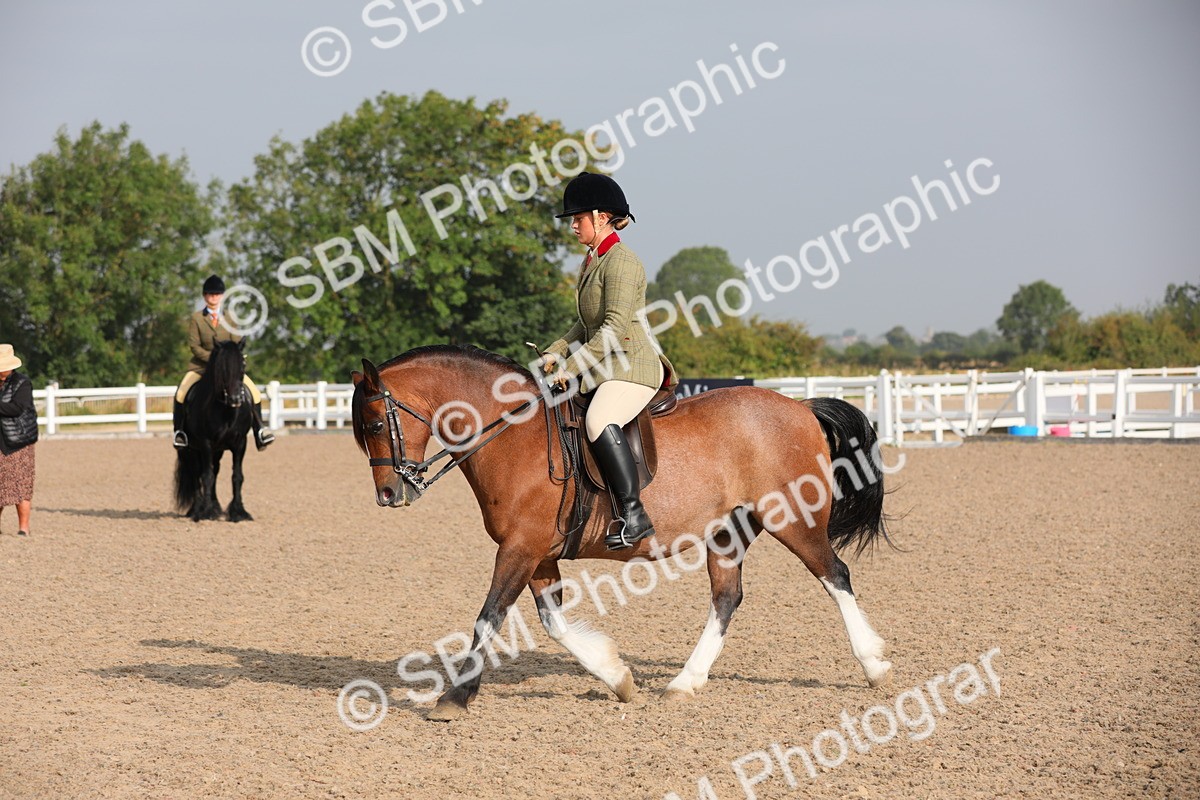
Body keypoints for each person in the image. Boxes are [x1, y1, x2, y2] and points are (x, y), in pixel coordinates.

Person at [541, 172, 675, 550]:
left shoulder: (622, 262)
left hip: (632, 366)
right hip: (606, 364)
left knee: (599, 418)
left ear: (601, 217)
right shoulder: (592, 261)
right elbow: (585, 323)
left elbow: (615, 327)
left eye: (578, 218)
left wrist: (572, 368)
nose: (572, 226)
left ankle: (634, 515)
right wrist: (557, 350)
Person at [172, 274, 274, 450]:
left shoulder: (230, 318)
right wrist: (213, 361)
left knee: (254, 393)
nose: (213, 297)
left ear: (222, 296)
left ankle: (259, 431)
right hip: (201, 367)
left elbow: (236, 341)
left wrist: (234, 357)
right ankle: (180, 433)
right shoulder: (197, 318)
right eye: (210, 294)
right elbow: (194, 346)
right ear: (205, 296)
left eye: (217, 294)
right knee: (181, 393)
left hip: (227, 369)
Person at [0, 344, 38, 536]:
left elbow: (17, 408)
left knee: (21, 484)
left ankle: (23, 527)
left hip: (18, 440)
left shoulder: (22, 383)